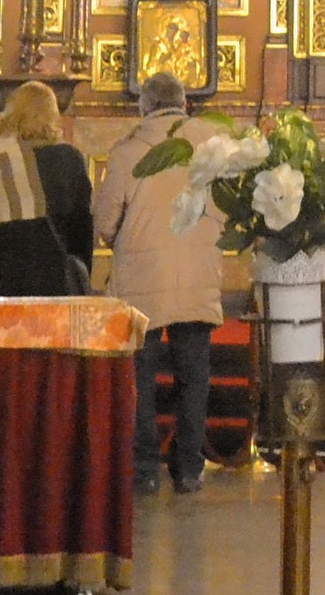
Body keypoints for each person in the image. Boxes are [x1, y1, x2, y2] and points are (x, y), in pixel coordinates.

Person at [91, 72, 220, 494]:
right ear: (184, 105)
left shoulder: (128, 152)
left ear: (143, 107)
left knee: (140, 378)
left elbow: (105, 220)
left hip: (141, 282)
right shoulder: (212, 148)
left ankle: (144, 467)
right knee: (193, 377)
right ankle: (188, 468)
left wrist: (124, 240)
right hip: (198, 274)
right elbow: (226, 213)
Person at [0, 82, 93, 296]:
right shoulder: (70, 158)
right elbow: (81, 227)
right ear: (53, 115)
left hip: (0, 271)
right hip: (54, 273)